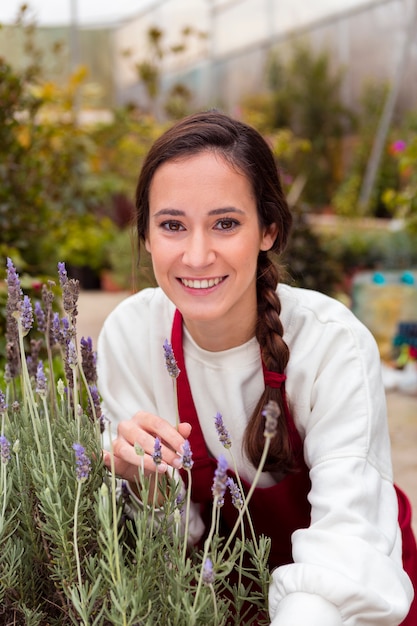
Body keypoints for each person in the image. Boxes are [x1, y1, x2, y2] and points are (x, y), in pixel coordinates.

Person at [97, 110, 416, 625]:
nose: (197, 255)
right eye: (172, 225)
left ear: (268, 229)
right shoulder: (132, 338)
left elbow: (346, 544)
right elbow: (159, 556)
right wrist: (151, 492)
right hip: (215, 604)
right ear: (147, 235)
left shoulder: (331, 345)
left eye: (225, 223)